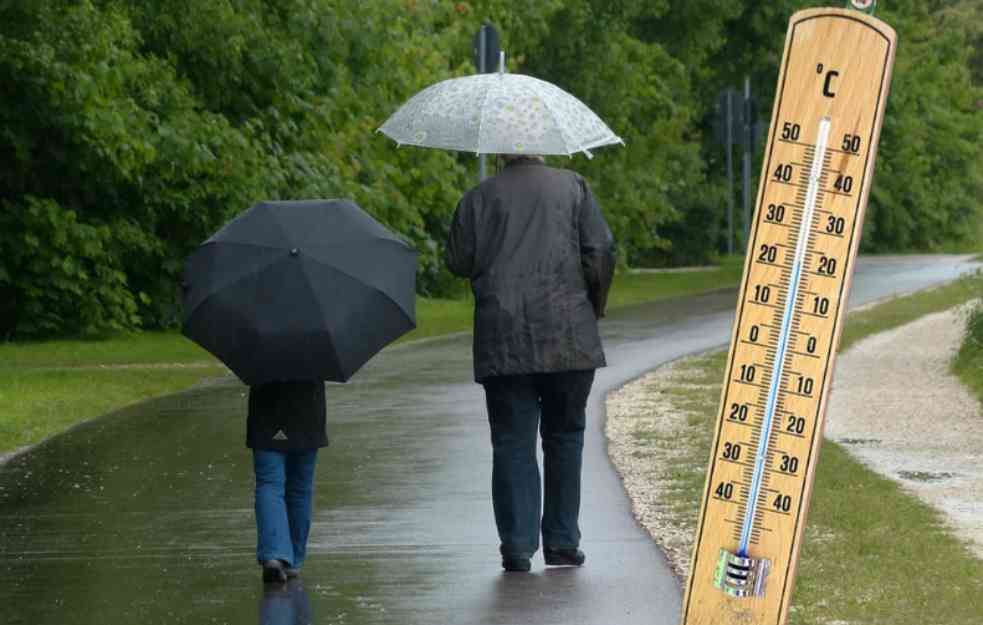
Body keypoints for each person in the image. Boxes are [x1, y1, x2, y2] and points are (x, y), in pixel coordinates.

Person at [445, 154, 616, 572]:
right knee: (564, 436)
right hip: (569, 334)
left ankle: (518, 546)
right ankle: (561, 542)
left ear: (502, 152)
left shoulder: (478, 198)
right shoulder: (574, 187)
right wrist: (594, 305)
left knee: (512, 442)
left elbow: (457, 261)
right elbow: (601, 251)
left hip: (503, 338)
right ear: (544, 147)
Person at [247, 379, 328, 583]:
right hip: (308, 410)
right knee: (300, 488)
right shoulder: (317, 347)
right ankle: (293, 560)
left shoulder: (260, 346)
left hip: (266, 410)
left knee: (269, 485)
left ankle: (274, 554)